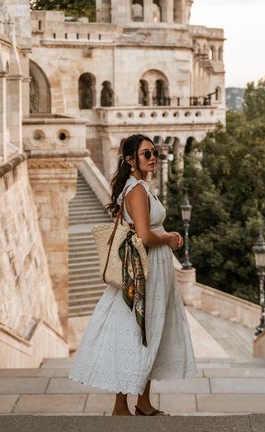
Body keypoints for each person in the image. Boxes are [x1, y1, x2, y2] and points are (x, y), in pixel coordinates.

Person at [69, 134, 196, 415]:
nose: (153, 158)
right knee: (138, 332)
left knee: (151, 331)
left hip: (153, 270)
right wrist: (170, 237)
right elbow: (145, 236)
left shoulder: (140, 187)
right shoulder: (136, 190)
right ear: (130, 160)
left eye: (154, 153)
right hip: (145, 271)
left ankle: (142, 401)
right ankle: (122, 404)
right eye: (146, 154)